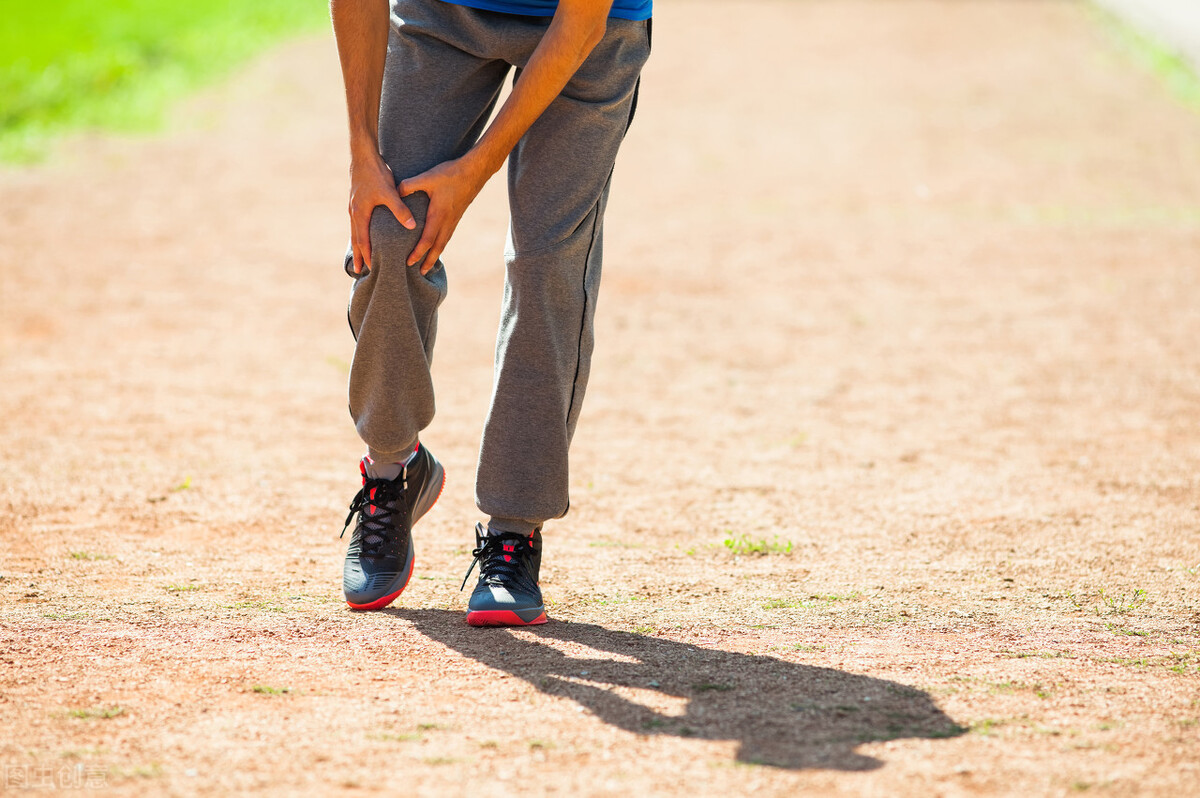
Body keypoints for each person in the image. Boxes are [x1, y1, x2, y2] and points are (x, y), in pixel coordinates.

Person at [330, 0, 651, 625]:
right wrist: (361, 155)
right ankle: (393, 469)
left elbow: (581, 21)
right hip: (445, 14)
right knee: (389, 234)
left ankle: (514, 530)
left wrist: (476, 168)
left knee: (545, 265)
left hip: (591, 34)